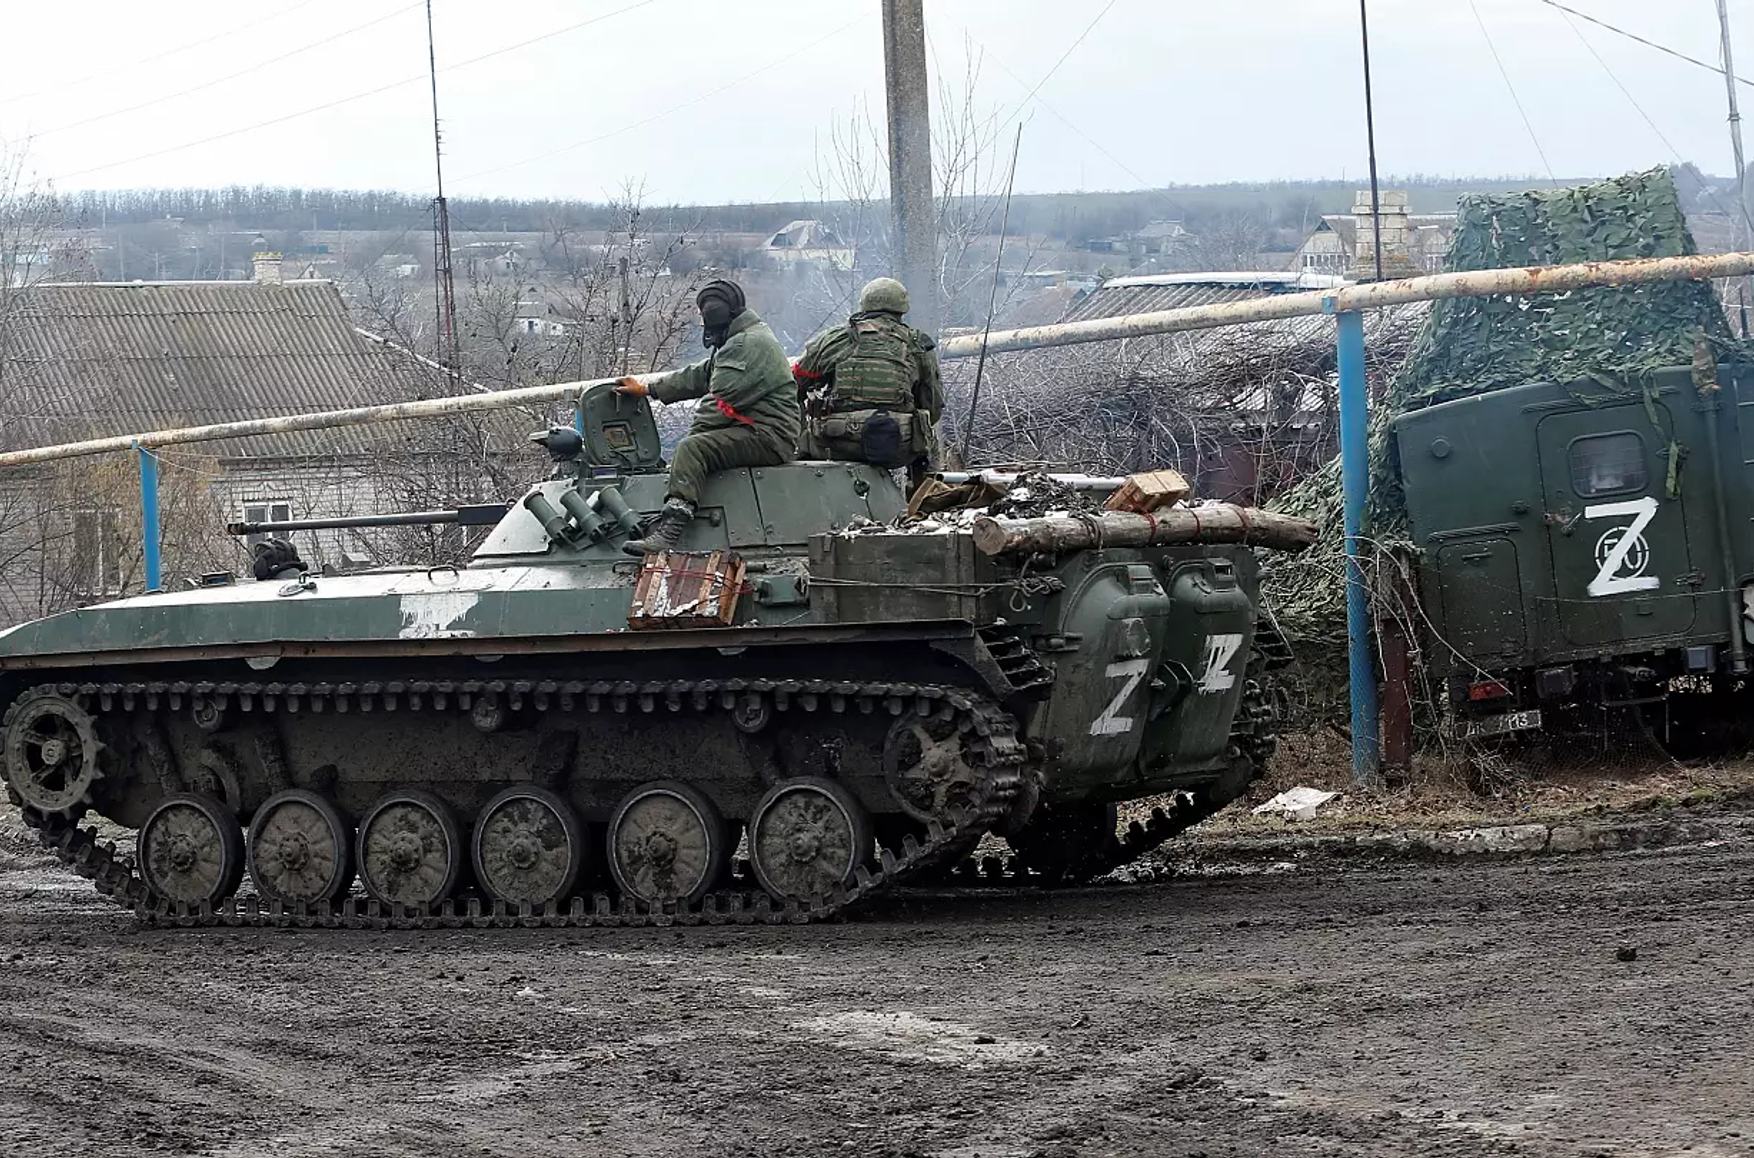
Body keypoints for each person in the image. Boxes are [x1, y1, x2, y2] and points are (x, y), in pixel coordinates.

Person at [614, 279, 798, 555]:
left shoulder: (747, 344)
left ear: (714, 314)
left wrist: (687, 458)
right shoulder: (743, 338)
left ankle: (669, 533)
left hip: (768, 436)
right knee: (692, 449)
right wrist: (648, 389)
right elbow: (700, 375)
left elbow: (717, 406)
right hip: (759, 430)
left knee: (692, 448)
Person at [792, 277, 944, 488]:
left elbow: (794, 385)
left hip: (837, 443)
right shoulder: (917, 344)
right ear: (902, 308)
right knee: (928, 444)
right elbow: (933, 406)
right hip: (899, 446)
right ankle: (923, 500)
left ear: (864, 305)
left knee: (801, 442)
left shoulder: (836, 339)